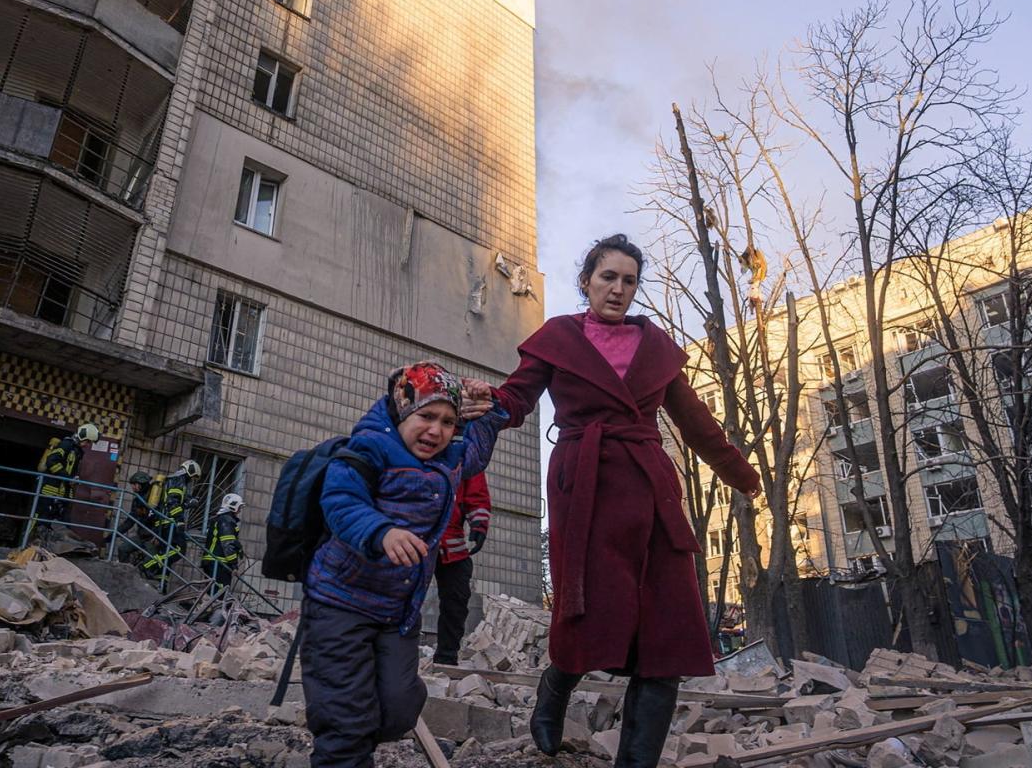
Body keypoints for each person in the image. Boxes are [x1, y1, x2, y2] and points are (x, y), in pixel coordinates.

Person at [473, 234, 760, 768]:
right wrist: (486, 402)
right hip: (585, 490)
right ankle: (556, 685)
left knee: (667, 627)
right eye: (608, 277)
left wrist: (742, 475)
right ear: (586, 282)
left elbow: (695, 421)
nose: (618, 289)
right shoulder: (559, 337)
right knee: (590, 610)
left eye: (629, 281)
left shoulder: (656, 347)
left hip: (652, 493)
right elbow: (516, 397)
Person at [302, 362, 508, 768]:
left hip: (397, 614)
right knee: (345, 723)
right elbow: (341, 501)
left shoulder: (448, 460)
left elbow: (476, 454)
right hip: (338, 605)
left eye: (448, 421)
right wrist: (381, 532)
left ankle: (357, 730)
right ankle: (345, 747)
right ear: (401, 411)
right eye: (426, 416)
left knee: (398, 710)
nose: (436, 430)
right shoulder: (368, 448)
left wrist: (488, 408)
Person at [431, 470, 490, 666]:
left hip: (452, 542)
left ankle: (446, 659)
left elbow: (476, 492)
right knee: (404, 600)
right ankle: (398, 659)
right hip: (414, 539)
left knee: (457, 599)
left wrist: (479, 524)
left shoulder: (465, 458)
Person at [32, 423, 98, 538]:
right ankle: (29, 544)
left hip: (61, 493)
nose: (88, 445)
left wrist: (72, 480)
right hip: (50, 490)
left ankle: (45, 546)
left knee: (54, 523)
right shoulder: (66, 444)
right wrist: (68, 477)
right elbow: (52, 461)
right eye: (88, 441)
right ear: (82, 436)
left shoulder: (77, 451)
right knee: (41, 520)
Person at [142, 460, 200, 577]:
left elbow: (175, 500)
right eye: (193, 477)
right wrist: (180, 521)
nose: (191, 480)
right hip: (169, 522)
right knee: (179, 549)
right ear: (190, 472)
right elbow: (173, 502)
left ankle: (161, 580)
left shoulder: (172, 480)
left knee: (166, 552)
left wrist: (189, 502)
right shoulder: (178, 480)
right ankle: (147, 565)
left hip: (162, 522)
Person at [201, 492, 245, 594]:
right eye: (239, 507)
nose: (240, 510)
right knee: (219, 593)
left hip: (213, 561)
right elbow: (227, 543)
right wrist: (234, 564)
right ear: (233, 506)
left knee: (213, 592)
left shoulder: (222, 518)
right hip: (218, 562)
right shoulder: (227, 520)